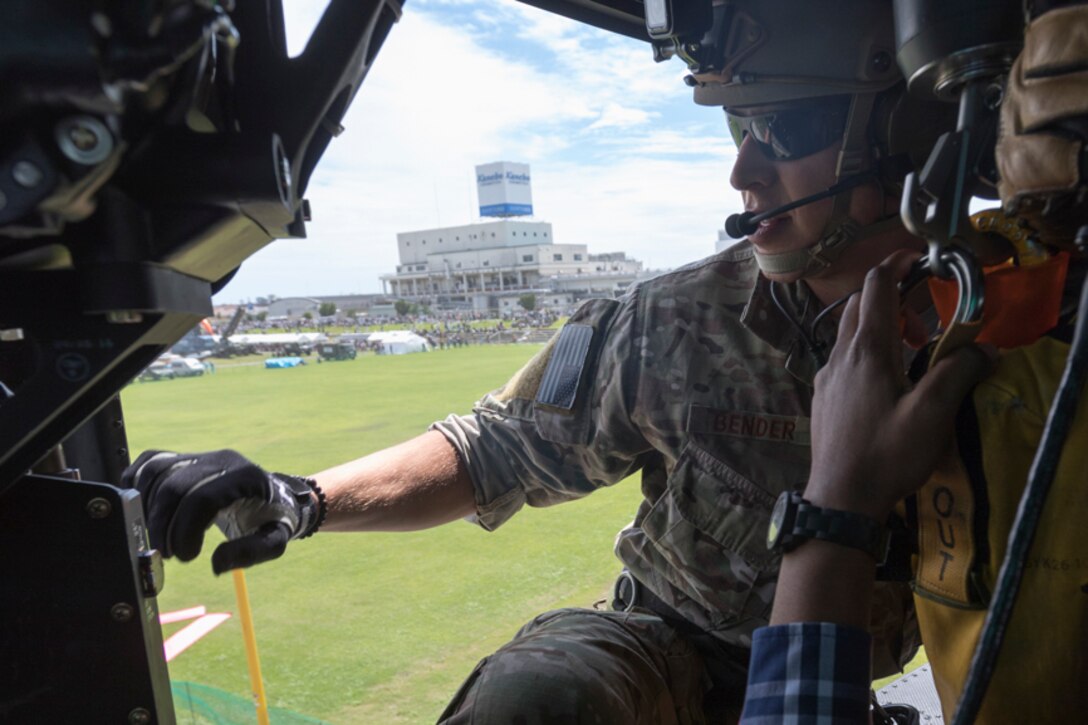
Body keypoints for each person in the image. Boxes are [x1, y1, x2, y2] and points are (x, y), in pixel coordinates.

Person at [122, 1, 958, 720]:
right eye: (740, 127)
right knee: (536, 695)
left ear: (894, 139)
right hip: (666, 649)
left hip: (865, 673)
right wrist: (300, 498)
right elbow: (499, 446)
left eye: (780, 126)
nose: (743, 170)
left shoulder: (1015, 337)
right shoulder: (673, 317)